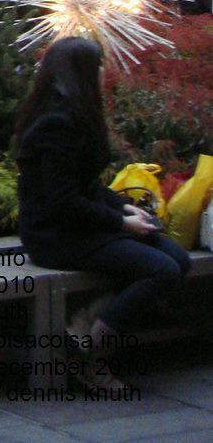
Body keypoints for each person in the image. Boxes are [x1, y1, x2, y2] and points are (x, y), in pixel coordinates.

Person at [13, 35, 190, 390]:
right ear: (80, 73)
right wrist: (121, 222)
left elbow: (87, 186)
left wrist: (122, 206)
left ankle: (85, 322)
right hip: (55, 235)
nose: (102, 74)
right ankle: (93, 360)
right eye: (97, 67)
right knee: (161, 269)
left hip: (81, 225)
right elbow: (62, 203)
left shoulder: (73, 117)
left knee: (177, 258)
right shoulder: (55, 125)